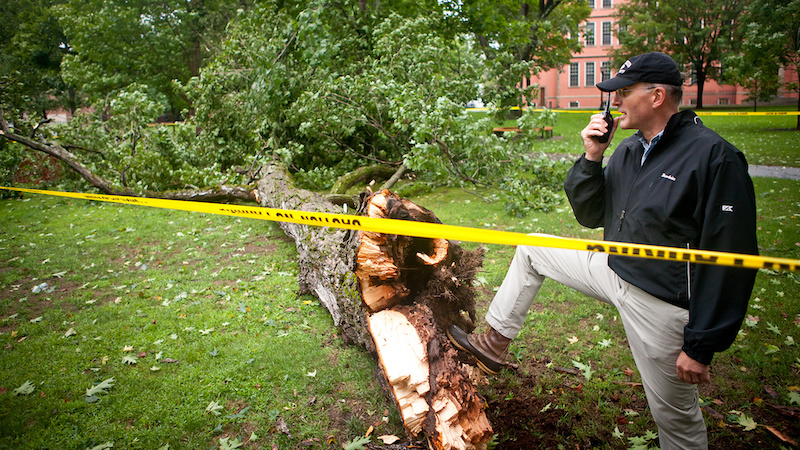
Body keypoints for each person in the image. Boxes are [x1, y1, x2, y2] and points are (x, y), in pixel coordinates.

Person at [448, 52, 758, 449]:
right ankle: (491, 346)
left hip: (661, 302)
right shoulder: (631, 150)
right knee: (533, 249)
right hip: (615, 270)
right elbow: (593, 213)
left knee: (676, 421)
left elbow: (731, 259)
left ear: (657, 96)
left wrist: (700, 345)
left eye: (624, 93)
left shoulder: (714, 157)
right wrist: (592, 157)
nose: (613, 103)